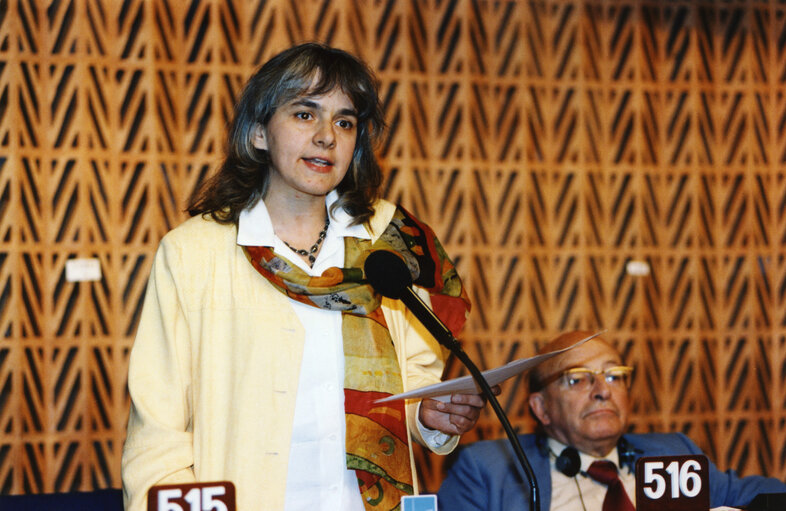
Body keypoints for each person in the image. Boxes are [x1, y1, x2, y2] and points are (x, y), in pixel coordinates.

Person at [121, 43, 489, 511]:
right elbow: (159, 430)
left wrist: (431, 414)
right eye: (304, 114)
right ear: (258, 133)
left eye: (344, 121)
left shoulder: (388, 245)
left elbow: (414, 381)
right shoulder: (195, 252)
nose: (326, 137)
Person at [437, 330, 786, 510]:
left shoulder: (673, 453)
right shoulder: (488, 469)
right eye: (577, 378)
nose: (603, 390)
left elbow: (760, 495)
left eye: (614, 375)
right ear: (541, 408)